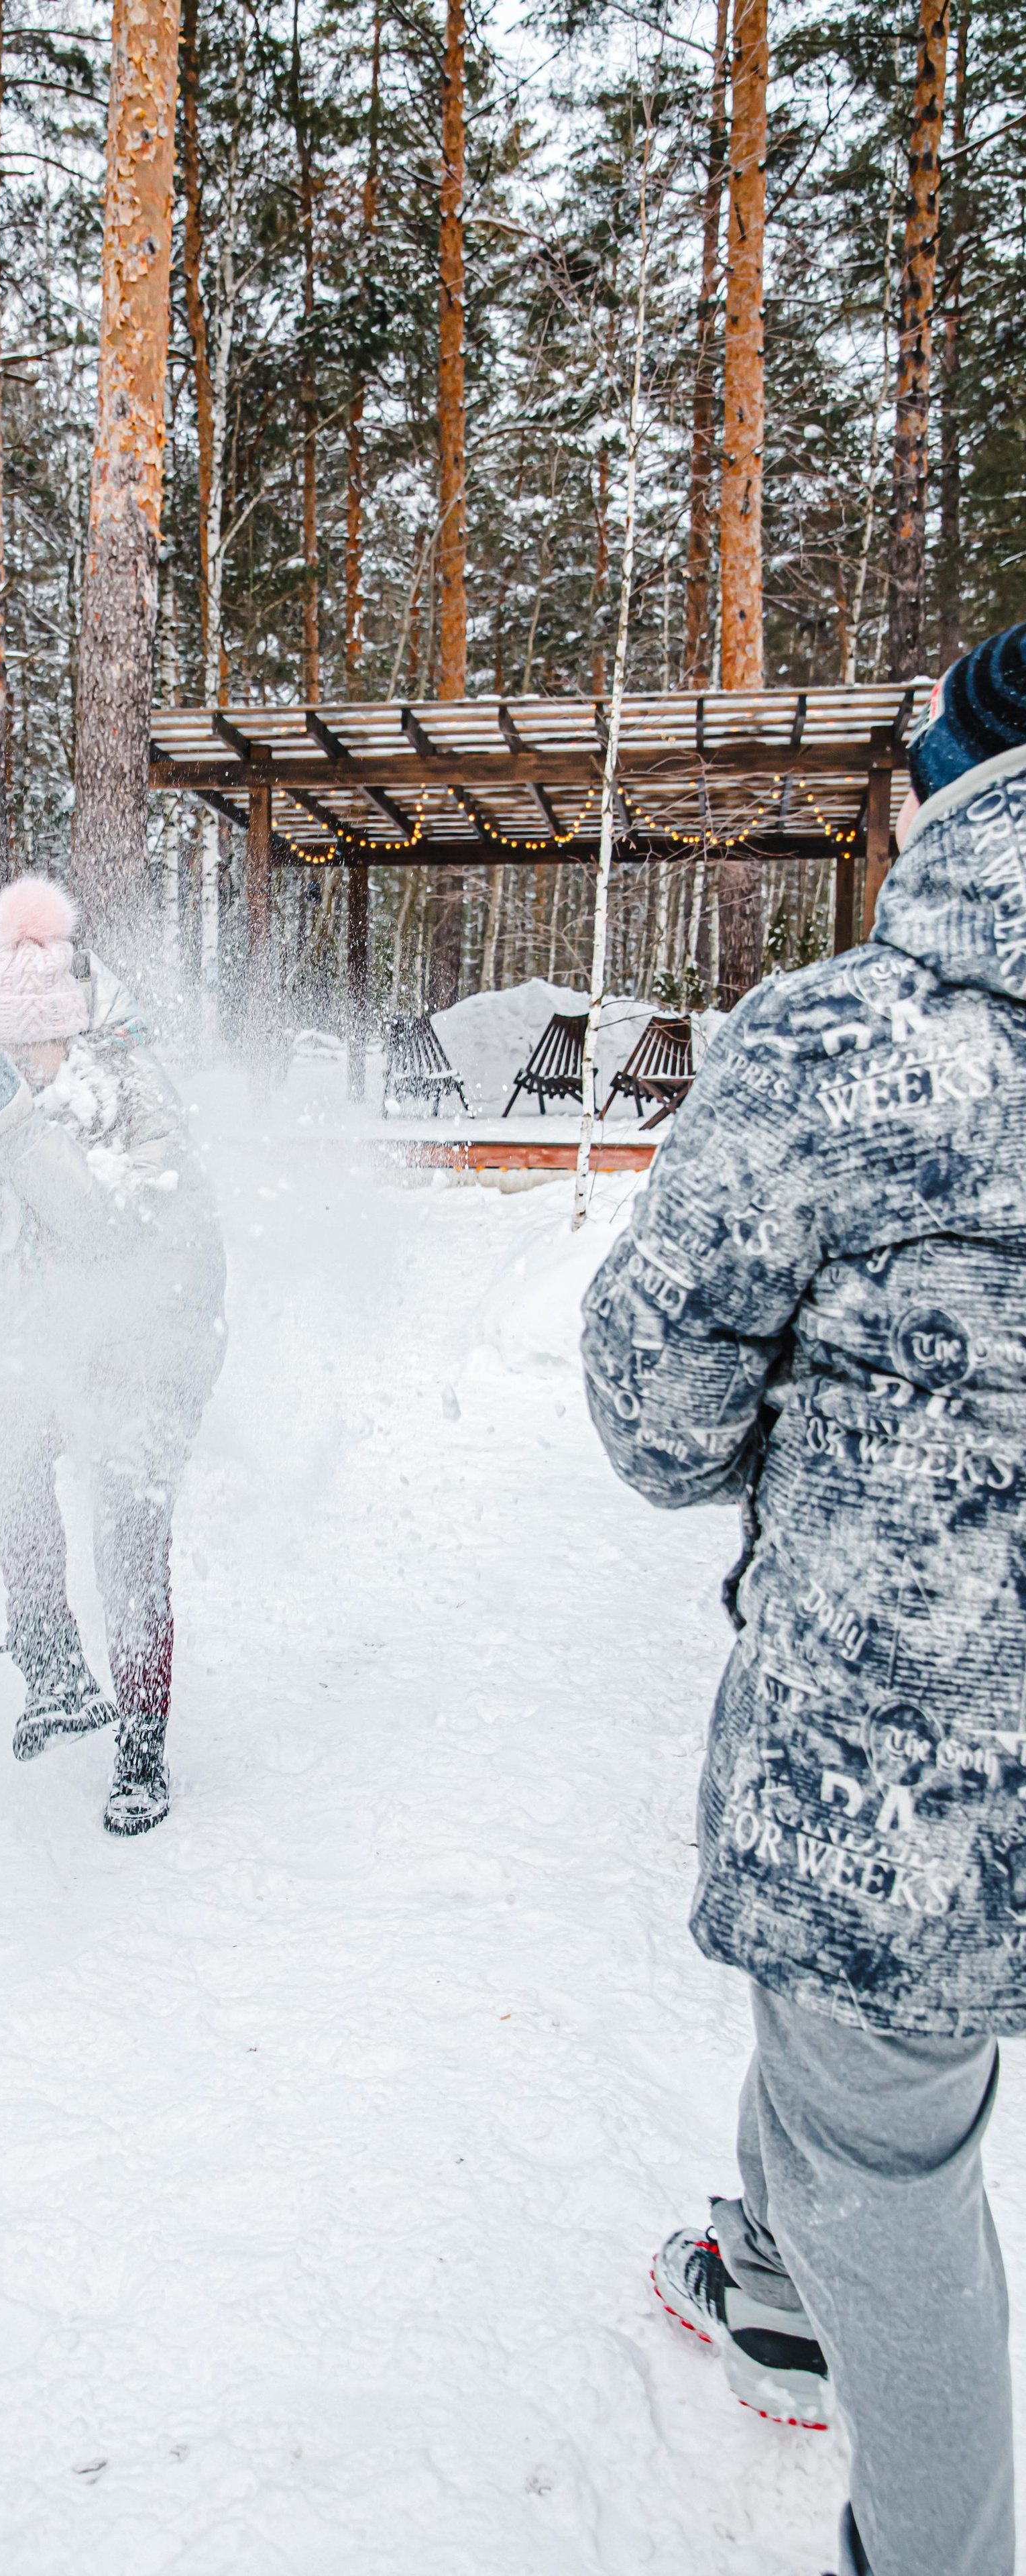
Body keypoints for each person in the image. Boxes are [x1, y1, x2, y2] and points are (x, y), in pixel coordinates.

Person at [581, 625, 1026, 2576]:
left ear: (953, 789)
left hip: (913, 1755)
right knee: (849, 2054)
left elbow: (657, 1402)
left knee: (888, 2144)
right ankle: (768, 2277)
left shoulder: (853, 1043)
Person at [0, 876, 226, 1836]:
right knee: (3, 1441)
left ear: (67, 1034)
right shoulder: (27, 1102)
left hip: (161, 1333)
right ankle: (53, 1674)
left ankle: (142, 1741)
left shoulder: (134, 1096)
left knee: (127, 1532)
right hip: (66, 1330)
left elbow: (100, 1225)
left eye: (22, 1049)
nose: (7, 1066)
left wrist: (13, 1134)